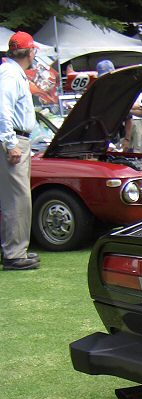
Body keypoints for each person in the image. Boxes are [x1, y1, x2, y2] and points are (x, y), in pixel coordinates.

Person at [0, 31, 40, 270]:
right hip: (14, 138)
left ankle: (15, 250)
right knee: (17, 199)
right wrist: (10, 142)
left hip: (16, 137)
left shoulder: (12, 73)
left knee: (17, 198)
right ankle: (14, 254)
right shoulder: (10, 74)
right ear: (30, 51)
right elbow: (2, 109)